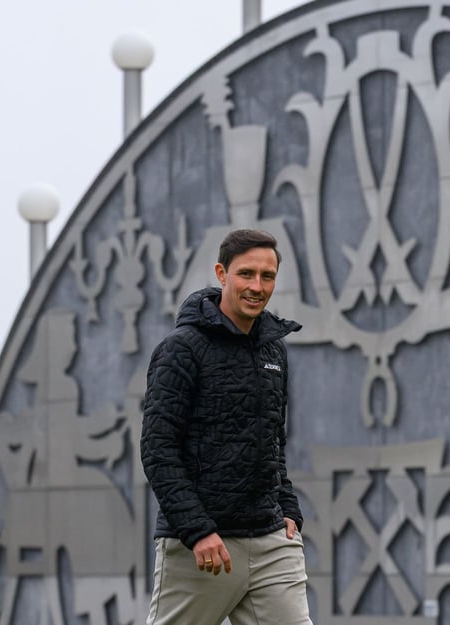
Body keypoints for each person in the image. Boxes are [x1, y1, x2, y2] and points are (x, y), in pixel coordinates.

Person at [141, 228, 310, 625]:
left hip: (271, 542)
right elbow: (157, 449)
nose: (257, 286)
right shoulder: (181, 348)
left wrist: (288, 508)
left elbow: (272, 441)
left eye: (267, 276)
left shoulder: (274, 350)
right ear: (222, 273)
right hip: (200, 548)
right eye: (246, 274)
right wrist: (197, 530)